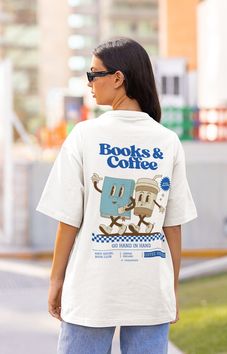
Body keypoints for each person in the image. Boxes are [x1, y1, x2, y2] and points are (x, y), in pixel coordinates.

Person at [36, 37, 197, 354]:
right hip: (151, 292)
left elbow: (68, 220)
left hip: (91, 291)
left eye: (93, 74)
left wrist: (56, 282)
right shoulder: (167, 141)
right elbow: (173, 226)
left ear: (118, 78)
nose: (90, 83)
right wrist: (171, 290)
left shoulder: (84, 135)